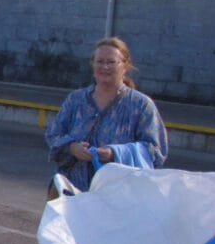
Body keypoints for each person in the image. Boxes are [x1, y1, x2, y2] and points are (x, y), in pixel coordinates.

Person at [45, 36, 168, 193]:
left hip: (117, 196)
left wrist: (113, 153)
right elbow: (53, 134)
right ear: (93, 64)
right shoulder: (76, 100)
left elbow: (155, 151)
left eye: (111, 62)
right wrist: (72, 147)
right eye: (100, 61)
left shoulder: (141, 105)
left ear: (125, 66)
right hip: (71, 192)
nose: (105, 67)